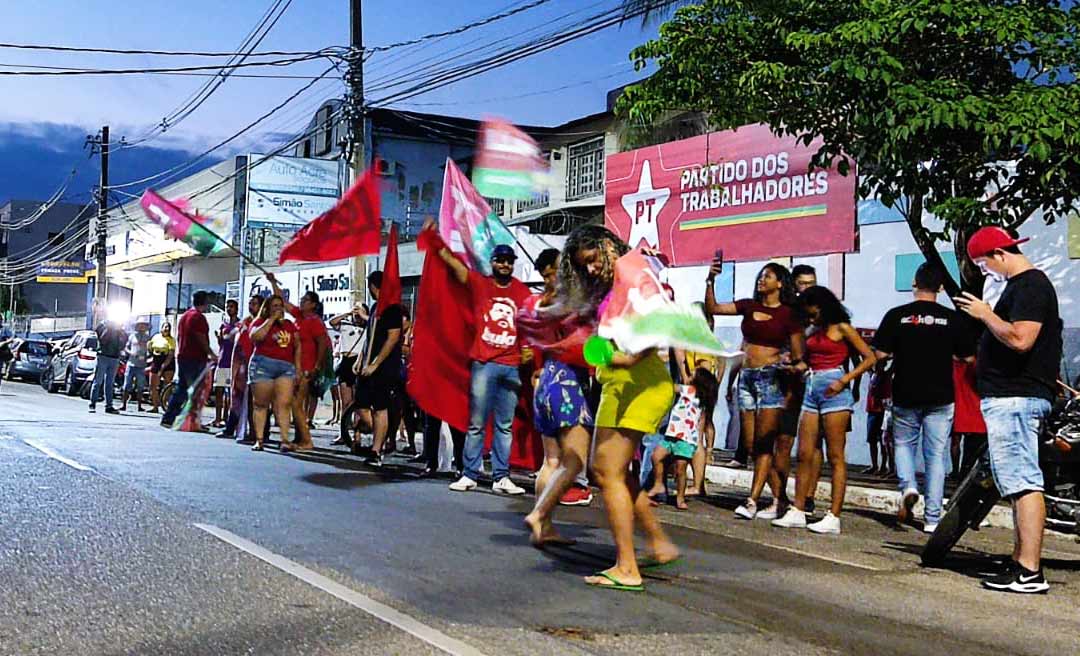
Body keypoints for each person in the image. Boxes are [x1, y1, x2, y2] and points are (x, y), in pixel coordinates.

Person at [552, 225, 678, 592]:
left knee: (606, 471)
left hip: (639, 383)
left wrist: (630, 357)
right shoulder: (614, 282)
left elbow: (660, 317)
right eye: (583, 266)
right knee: (615, 472)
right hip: (616, 385)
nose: (590, 269)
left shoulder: (633, 270)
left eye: (592, 260)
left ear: (608, 246)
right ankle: (658, 543)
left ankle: (627, 567)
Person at [955, 226, 1061, 594]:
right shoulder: (1024, 287)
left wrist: (985, 314)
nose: (987, 273)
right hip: (1013, 396)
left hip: (1015, 399)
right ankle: (1020, 563)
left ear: (999, 254)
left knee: (1023, 483)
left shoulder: (1029, 286)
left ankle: (1030, 570)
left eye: (984, 265)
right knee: (1016, 483)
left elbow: (1021, 338)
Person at [422, 220, 531, 495]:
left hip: (511, 366)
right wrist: (435, 240)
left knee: (504, 425)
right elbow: (454, 266)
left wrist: (531, 349)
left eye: (509, 261)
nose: (505, 265)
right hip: (484, 364)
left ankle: (501, 477)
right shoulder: (480, 284)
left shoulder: (522, 292)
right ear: (493, 262)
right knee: (477, 423)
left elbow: (534, 323)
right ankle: (469, 473)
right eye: (501, 261)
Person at [873, 262, 972, 533]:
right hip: (941, 395)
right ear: (940, 287)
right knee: (936, 456)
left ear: (914, 284)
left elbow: (879, 354)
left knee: (903, 444)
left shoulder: (896, 315)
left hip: (906, 392)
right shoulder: (953, 319)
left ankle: (908, 486)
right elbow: (967, 357)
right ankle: (932, 518)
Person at [705, 261, 804, 520]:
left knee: (764, 442)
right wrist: (710, 280)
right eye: (761, 276)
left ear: (780, 283)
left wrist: (785, 363)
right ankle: (781, 499)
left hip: (771, 380)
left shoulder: (788, 314)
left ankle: (752, 500)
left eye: (768, 276)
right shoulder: (749, 305)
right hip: (747, 378)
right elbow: (713, 308)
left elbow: (797, 355)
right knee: (751, 445)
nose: (762, 280)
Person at [773, 286, 876, 534]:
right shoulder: (813, 331)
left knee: (836, 455)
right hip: (812, 387)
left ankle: (834, 515)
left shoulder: (842, 328)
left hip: (835, 390)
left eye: (813, 314)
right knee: (805, 452)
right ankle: (798, 509)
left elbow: (870, 357)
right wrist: (794, 367)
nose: (811, 319)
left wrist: (845, 380)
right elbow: (808, 360)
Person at [522, 248, 596, 546]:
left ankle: (544, 524)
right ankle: (540, 515)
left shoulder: (539, 303)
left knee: (551, 460)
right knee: (575, 459)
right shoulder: (568, 301)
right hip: (567, 381)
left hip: (546, 378)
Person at [267, 278, 329, 453]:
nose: (301, 302)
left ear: (314, 305)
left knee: (296, 404)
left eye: (305, 300)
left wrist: (317, 366)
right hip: (295, 366)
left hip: (307, 367)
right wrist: (272, 282)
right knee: (293, 403)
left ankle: (307, 440)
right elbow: (282, 301)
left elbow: (323, 343)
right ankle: (300, 437)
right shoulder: (300, 317)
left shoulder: (315, 321)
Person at [352, 270, 404, 466]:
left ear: (374, 286)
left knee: (380, 408)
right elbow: (369, 336)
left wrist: (375, 364)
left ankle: (376, 450)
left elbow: (392, 339)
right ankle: (380, 436)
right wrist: (361, 359)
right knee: (362, 405)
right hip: (367, 366)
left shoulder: (392, 309)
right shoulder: (375, 308)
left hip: (384, 368)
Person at [247, 295, 302, 452]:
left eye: (280, 306)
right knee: (261, 404)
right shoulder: (259, 322)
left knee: (284, 404)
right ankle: (259, 439)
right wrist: (271, 320)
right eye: (275, 306)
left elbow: (297, 346)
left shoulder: (289, 325)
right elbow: (255, 336)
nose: (278, 309)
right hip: (263, 365)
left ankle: (285, 440)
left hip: (286, 367)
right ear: (268, 308)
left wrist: (298, 368)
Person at [161, 291, 215, 429]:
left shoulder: (185, 316)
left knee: (182, 389)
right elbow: (200, 338)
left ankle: (169, 417)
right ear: (205, 302)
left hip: (184, 356)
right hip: (195, 358)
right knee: (195, 391)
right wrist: (211, 353)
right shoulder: (198, 317)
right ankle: (193, 422)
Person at [217, 295, 262, 441]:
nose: (251, 306)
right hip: (237, 364)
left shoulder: (263, 323)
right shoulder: (244, 322)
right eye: (249, 303)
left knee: (254, 401)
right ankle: (230, 427)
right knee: (236, 397)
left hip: (256, 365)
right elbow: (230, 337)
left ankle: (258, 432)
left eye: (254, 304)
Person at [329, 303, 369, 446]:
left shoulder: (368, 328)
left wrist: (364, 316)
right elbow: (332, 322)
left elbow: (375, 324)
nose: (357, 314)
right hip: (345, 363)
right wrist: (348, 313)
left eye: (360, 310)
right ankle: (343, 433)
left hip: (358, 363)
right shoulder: (345, 325)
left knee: (358, 402)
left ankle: (357, 435)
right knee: (345, 402)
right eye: (356, 310)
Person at [211, 300, 241, 428]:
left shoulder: (239, 325)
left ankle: (226, 417)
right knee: (219, 390)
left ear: (236, 309)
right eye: (227, 307)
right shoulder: (224, 324)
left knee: (230, 392)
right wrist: (219, 337)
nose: (229, 309)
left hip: (233, 362)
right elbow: (221, 343)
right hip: (223, 360)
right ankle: (217, 418)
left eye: (231, 307)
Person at [90, 316, 126, 414]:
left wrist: (119, 332)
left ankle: (109, 406)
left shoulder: (121, 331)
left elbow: (123, 344)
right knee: (98, 381)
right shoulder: (104, 325)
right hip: (103, 356)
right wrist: (109, 329)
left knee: (110, 383)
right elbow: (102, 339)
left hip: (114, 358)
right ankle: (92, 404)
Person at [862, 364, 892, 475]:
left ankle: (883, 465)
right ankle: (874, 465)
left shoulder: (885, 375)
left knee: (882, 440)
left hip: (881, 411)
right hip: (871, 410)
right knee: (871, 439)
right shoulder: (872, 375)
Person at [121, 319, 151, 412]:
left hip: (141, 365)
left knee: (140, 386)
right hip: (131, 363)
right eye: (140, 325)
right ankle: (124, 405)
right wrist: (131, 353)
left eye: (143, 325)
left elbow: (150, 350)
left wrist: (147, 357)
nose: (141, 327)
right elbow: (126, 347)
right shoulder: (132, 336)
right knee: (126, 385)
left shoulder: (148, 338)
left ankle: (139, 406)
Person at [148, 323, 176, 414]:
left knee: (167, 385)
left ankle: (166, 405)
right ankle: (155, 406)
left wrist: (164, 366)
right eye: (165, 327)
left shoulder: (171, 340)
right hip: (157, 359)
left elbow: (171, 354)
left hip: (168, 360)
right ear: (161, 328)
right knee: (153, 385)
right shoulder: (156, 337)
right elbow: (150, 347)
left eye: (168, 327)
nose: (167, 329)